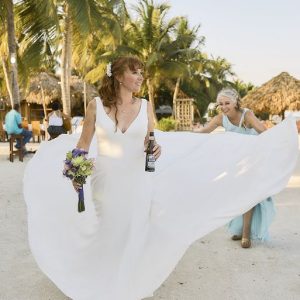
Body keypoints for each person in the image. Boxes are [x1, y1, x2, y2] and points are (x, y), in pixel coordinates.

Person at [23, 57, 298, 300]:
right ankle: (97, 276)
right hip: (105, 180)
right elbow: (83, 144)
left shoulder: (145, 106)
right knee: (108, 229)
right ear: (119, 76)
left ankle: (125, 282)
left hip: (139, 180)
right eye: (135, 72)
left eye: (142, 72)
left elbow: (150, 141)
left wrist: (154, 147)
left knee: (135, 230)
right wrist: (76, 171)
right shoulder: (95, 106)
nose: (141, 77)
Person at [195, 88, 275, 248]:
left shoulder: (247, 115)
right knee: (237, 195)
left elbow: (264, 132)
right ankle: (239, 230)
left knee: (248, 195)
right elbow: (204, 131)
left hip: (253, 161)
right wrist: (183, 137)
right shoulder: (220, 118)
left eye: (227, 103)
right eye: (221, 104)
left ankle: (246, 234)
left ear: (236, 102)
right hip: (236, 163)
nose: (224, 107)